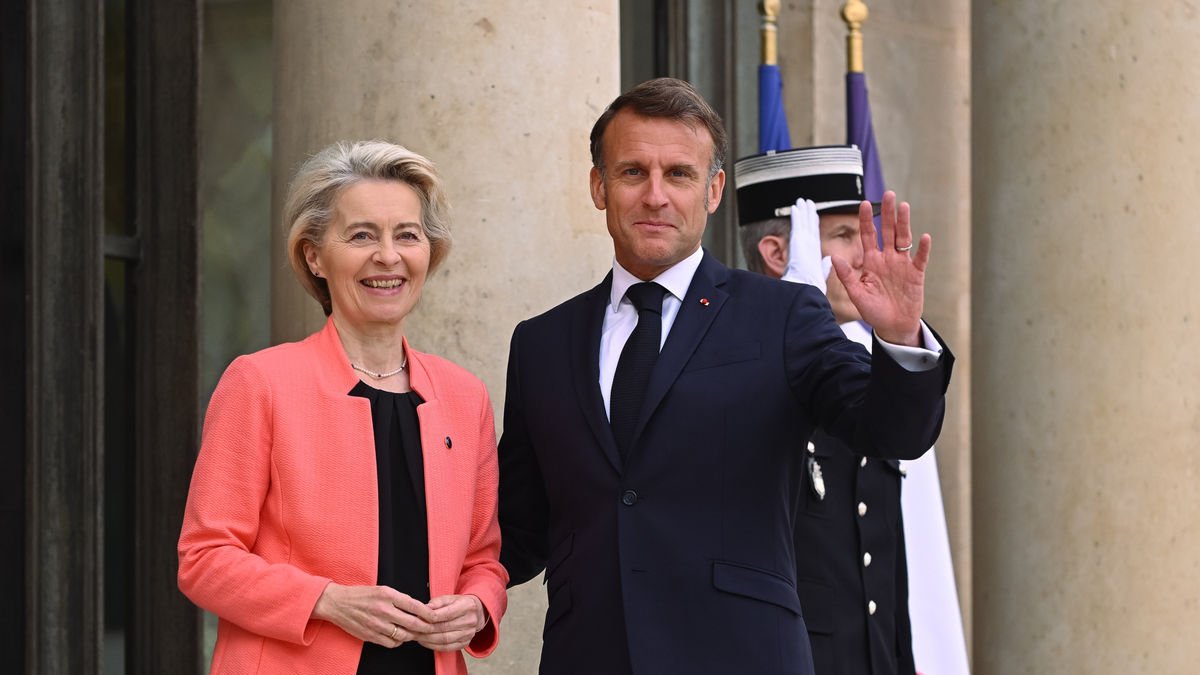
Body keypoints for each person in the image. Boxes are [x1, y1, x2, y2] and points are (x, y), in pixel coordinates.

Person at [498, 77, 954, 675]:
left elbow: (892, 433)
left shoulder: (782, 316)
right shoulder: (543, 343)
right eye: (633, 172)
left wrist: (897, 340)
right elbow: (517, 528)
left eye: (679, 174)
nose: (656, 196)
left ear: (713, 191)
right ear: (598, 187)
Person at [178, 140, 508, 675]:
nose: (388, 256)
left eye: (407, 235)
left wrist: (477, 606)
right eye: (361, 236)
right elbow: (203, 558)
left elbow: (482, 560)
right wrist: (326, 600)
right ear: (314, 256)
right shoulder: (260, 382)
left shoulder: (464, 397)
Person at [736, 144, 916, 675]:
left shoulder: (860, 368)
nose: (866, 257)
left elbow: (883, 578)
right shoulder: (735, 367)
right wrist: (792, 333)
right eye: (842, 237)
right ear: (777, 254)